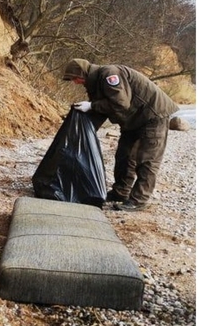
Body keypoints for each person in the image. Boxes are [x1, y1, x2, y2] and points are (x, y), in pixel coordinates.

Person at [62, 58, 179, 211]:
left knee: (146, 160)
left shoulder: (109, 74)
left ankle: (139, 200)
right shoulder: (95, 83)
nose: (75, 83)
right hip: (133, 119)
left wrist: (91, 105)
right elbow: (101, 111)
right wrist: (82, 131)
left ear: (83, 74)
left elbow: (121, 103)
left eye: (75, 79)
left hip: (153, 116)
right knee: (124, 156)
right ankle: (121, 192)